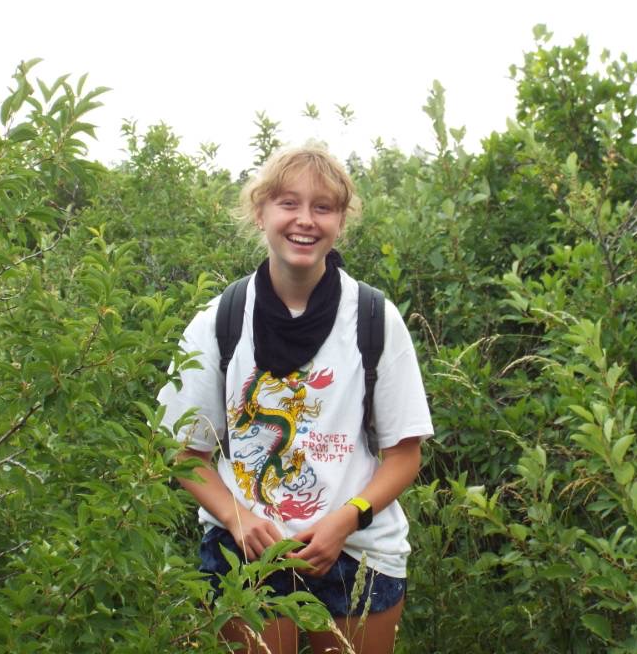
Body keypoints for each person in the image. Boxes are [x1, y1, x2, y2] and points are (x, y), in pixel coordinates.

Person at [158, 146, 433, 653]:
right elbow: (187, 456)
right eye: (288, 203)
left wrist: (344, 519)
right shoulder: (218, 322)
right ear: (260, 212)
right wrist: (239, 519)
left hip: (358, 552)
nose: (305, 220)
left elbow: (404, 456)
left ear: (340, 221)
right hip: (245, 554)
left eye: (323, 207)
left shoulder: (374, 318)